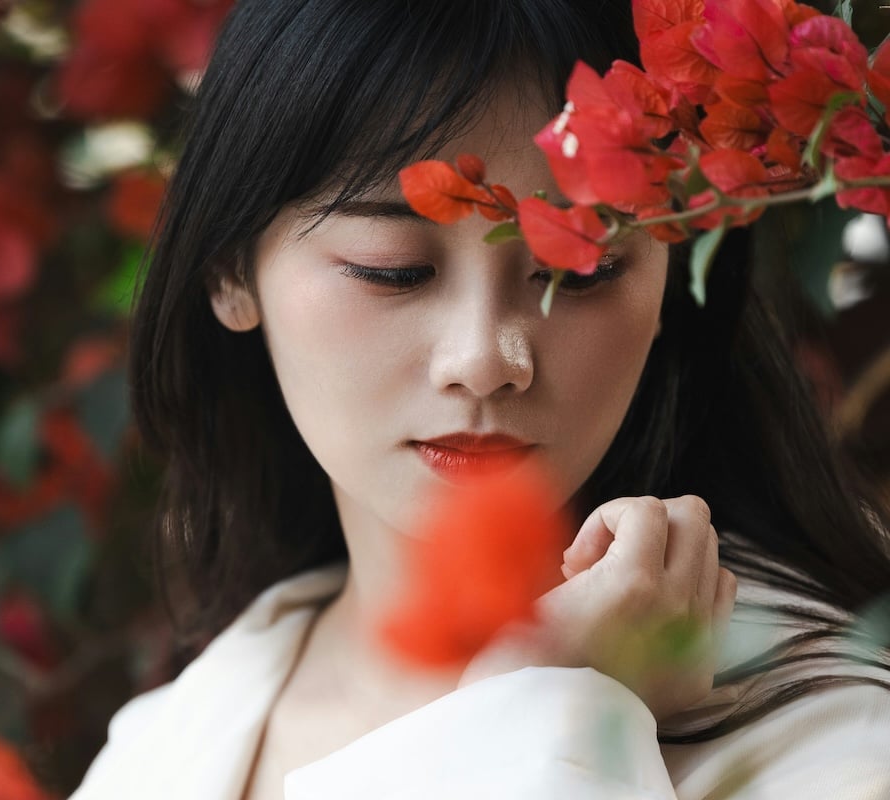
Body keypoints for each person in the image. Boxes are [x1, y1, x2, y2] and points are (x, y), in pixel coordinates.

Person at [70, 0, 890, 797]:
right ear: (228, 269)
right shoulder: (159, 747)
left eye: (580, 274)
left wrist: (544, 707)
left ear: (672, 282)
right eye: (394, 270)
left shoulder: (831, 742)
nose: (489, 360)